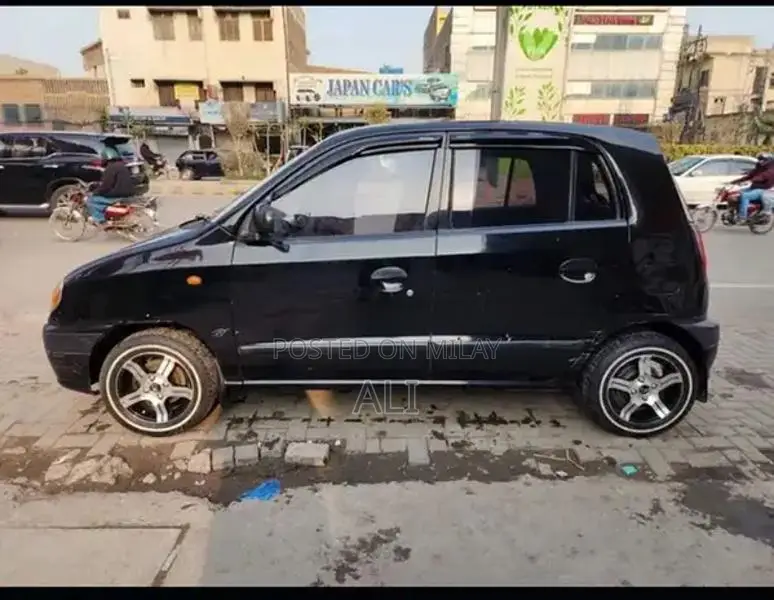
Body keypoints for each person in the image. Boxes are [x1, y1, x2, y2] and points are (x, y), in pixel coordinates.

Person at [87, 147, 136, 226]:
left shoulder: (110, 168)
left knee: (91, 200)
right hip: (130, 193)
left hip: (118, 195)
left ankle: (101, 220)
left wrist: (95, 192)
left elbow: (106, 186)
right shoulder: (122, 166)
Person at [729, 153, 774, 222]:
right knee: (732, 194)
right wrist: (734, 181)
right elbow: (749, 176)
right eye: (759, 160)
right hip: (754, 188)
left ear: (768, 161)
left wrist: (750, 181)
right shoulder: (759, 168)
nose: (760, 161)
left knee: (745, 196)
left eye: (762, 160)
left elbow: (762, 177)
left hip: (763, 190)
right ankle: (732, 213)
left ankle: (742, 217)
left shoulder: (771, 170)